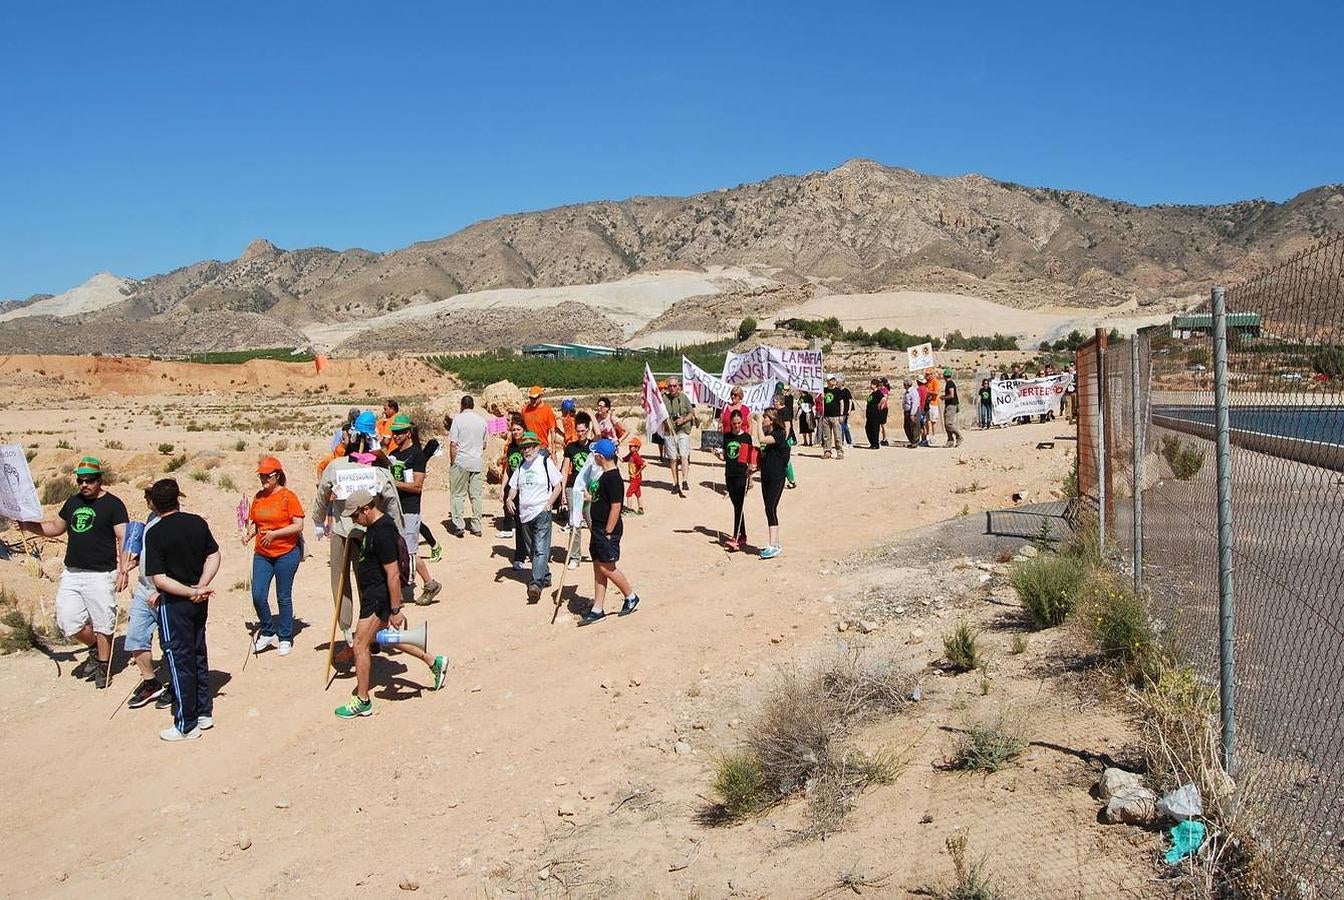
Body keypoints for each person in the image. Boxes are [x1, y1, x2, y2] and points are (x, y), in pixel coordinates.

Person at [333, 489, 448, 720]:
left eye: (355, 516)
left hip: (378, 597)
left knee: (360, 644)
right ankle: (434, 662)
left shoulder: (383, 531)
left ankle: (363, 701)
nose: (354, 521)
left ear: (366, 509)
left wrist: (396, 609)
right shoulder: (373, 528)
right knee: (384, 638)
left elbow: (393, 573)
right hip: (374, 595)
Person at [18, 455, 127, 689]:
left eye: (89, 481)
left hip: (101, 574)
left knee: (103, 623)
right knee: (69, 621)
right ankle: (95, 648)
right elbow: (55, 528)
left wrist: (124, 569)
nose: (84, 485)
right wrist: (29, 525)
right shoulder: (73, 503)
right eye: (80, 481)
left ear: (99, 480)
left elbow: (123, 538)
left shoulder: (114, 505)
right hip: (72, 573)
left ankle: (103, 664)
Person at [315, 429, 405, 659]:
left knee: (347, 584)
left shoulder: (338, 466)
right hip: (353, 532)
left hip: (361, 534)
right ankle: (359, 633)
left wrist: (319, 519)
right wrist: (397, 530)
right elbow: (392, 500)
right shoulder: (374, 469)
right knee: (364, 581)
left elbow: (322, 494)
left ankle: (361, 634)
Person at [142, 478, 220, 741]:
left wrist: (191, 591)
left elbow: (160, 579)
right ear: (178, 498)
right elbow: (214, 555)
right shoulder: (196, 522)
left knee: (178, 658)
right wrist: (201, 586)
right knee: (198, 652)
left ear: (153, 503)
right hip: (199, 598)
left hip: (176, 603)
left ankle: (186, 723)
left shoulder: (154, 533)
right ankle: (202, 711)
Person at [244, 456, 305, 655]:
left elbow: (298, 525)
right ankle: (268, 630)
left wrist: (275, 534)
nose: (263, 480)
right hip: (262, 553)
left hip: (286, 552)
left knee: (283, 596)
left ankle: (285, 636)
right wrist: (249, 534)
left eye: (266, 476)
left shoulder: (288, 496)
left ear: (277, 475)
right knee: (258, 595)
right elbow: (256, 522)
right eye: (261, 476)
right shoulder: (258, 497)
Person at [578, 439, 640, 625]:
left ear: (600, 457)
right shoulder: (604, 475)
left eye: (595, 454)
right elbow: (601, 498)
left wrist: (608, 532)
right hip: (597, 527)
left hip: (606, 530)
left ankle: (630, 596)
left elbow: (616, 507)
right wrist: (587, 496)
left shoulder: (613, 478)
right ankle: (598, 608)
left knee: (606, 567)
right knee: (598, 566)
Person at [387, 414, 442, 605]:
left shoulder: (417, 455)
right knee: (400, 551)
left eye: (400, 433)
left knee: (409, 552)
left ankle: (420, 585)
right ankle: (427, 584)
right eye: (394, 433)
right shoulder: (393, 454)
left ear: (408, 433)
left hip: (410, 509)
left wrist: (394, 484)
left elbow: (417, 486)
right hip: (394, 509)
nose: (396, 436)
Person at [121, 484, 166, 710]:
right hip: (143, 589)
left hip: (165, 591)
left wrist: (162, 589)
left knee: (170, 643)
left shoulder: (170, 522)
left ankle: (177, 687)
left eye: (149, 496)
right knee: (136, 638)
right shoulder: (149, 518)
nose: (147, 500)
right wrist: (135, 562)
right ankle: (151, 682)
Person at [505, 431, 564, 603]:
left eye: (530, 447)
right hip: (525, 515)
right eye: (524, 448)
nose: (526, 451)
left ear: (537, 447)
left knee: (540, 549)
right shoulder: (521, 466)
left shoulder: (545, 462)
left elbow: (558, 486)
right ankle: (545, 575)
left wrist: (549, 504)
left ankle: (536, 584)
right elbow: (514, 486)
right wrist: (509, 498)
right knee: (533, 550)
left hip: (541, 512)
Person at [448, 394, 488, 537]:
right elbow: (484, 444)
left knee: (458, 495)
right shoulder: (482, 421)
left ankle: (459, 525)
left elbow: (453, 444)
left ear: (461, 405)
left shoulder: (458, 420)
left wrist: (453, 462)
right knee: (476, 496)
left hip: (461, 461)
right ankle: (476, 526)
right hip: (476, 462)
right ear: (473, 405)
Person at [716, 409, 753, 550]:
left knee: (739, 506)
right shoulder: (727, 437)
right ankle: (742, 535)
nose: (737, 426)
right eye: (734, 423)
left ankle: (736, 537)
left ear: (742, 422)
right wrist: (717, 456)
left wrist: (751, 478)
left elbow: (749, 460)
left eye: (739, 423)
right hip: (729, 475)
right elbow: (725, 456)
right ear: (730, 423)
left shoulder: (746, 438)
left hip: (741, 475)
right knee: (737, 506)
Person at [757, 409, 789, 559]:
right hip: (766, 476)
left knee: (771, 508)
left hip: (777, 477)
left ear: (772, 420)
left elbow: (762, 440)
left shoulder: (777, 434)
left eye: (765, 417)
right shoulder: (770, 435)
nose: (763, 419)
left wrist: (757, 423)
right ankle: (775, 543)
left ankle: (772, 545)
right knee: (768, 509)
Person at [496, 416, 527, 556]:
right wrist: (503, 488)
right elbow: (508, 469)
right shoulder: (511, 447)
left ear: (524, 430)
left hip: (526, 488)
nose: (515, 432)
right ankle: (520, 553)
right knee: (519, 522)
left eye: (518, 429)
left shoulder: (528, 447)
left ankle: (529, 549)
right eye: (513, 430)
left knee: (526, 522)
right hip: (513, 487)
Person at [663, 377, 694, 496]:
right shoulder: (663, 399)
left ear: (679, 386)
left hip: (683, 430)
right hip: (669, 431)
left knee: (684, 455)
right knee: (673, 459)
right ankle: (675, 483)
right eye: (670, 386)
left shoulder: (684, 398)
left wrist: (684, 419)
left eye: (674, 386)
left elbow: (691, 413)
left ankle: (684, 480)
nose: (672, 388)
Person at [520, 386, 563, 454]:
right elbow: (521, 427)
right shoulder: (524, 410)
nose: (532, 400)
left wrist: (553, 451)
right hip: (528, 447)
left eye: (535, 398)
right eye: (531, 398)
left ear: (540, 397)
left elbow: (552, 431)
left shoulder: (547, 410)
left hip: (541, 447)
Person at [818, 375, 845, 459]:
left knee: (837, 435)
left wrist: (841, 414)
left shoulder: (838, 391)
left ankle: (840, 452)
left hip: (835, 416)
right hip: (826, 416)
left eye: (833, 379)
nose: (833, 381)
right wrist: (821, 397)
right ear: (828, 381)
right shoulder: (824, 390)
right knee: (826, 436)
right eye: (831, 379)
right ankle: (827, 451)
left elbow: (841, 403)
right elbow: (819, 400)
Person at [623, 436, 646, 516]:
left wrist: (638, 472)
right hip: (633, 479)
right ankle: (641, 508)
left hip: (636, 479)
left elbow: (643, 464)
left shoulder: (636, 456)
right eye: (630, 446)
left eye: (632, 446)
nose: (630, 447)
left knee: (629, 493)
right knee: (638, 493)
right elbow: (623, 460)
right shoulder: (630, 455)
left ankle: (629, 510)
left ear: (637, 448)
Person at [942, 367, 963, 447]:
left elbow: (951, 395)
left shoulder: (950, 383)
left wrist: (944, 397)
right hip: (949, 405)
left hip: (951, 405)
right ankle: (950, 440)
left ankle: (959, 436)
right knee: (946, 424)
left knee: (948, 424)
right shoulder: (950, 383)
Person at [864, 378, 885, 449]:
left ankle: (875, 444)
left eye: (872, 384)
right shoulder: (872, 393)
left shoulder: (878, 392)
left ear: (875, 385)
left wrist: (879, 405)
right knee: (868, 428)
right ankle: (872, 443)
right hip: (869, 414)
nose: (871, 385)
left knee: (874, 429)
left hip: (875, 414)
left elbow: (883, 398)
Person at [925, 368, 942, 447]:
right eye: (926, 374)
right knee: (927, 420)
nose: (926, 376)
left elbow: (936, 392)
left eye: (928, 374)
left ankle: (934, 435)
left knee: (933, 421)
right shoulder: (926, 382)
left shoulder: (935, 382)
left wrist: (927, 392)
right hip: (927, 403)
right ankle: (927, 436)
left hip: (933, 403)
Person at [836, 376, 855, 447]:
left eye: (838, 383)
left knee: (843, 426)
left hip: (845, 411)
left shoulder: (846, 391)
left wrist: (849, 410)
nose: (837, 384)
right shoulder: (838, 391)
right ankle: (847, 441)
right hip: (840, 411)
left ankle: (845, 441)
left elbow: (850, 401)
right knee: (844, 426)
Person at [902, 379, 920, 448]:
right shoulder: (907, 392)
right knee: (907, 426)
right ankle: (912, 441)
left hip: (912, 411)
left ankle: (915, 442)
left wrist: (912, 413)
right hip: (907, 411)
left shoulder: (913, 392)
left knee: (914, 427)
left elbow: (915, 403)